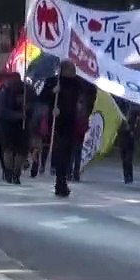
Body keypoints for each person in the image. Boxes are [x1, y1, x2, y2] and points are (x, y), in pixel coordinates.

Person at [49, 61, 81, 198]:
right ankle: (60, 182)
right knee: (61, 154)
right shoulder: (54, 81)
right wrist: (52, 95)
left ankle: (63, 181)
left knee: (68, 155)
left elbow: (82, 99)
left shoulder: (77, 84)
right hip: (58, 124)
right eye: (69, 69)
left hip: (72, 123)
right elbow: (43, 99)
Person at [0, 72, 27, 184]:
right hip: (7, 126)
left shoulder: (26, 90)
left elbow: (33, 104)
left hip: (22, 126)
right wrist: (17, 115)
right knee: (8, 150)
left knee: (20, 152)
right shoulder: (5, 92)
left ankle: (16, 173)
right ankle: (8, 172)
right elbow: (2, 111)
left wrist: (27, 108)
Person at [118, 108, 140, 183]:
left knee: (128, 160)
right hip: (123, 142)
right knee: (124, 160)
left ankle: (129, 176)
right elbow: (119, 130)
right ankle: (126, 176)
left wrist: (130, 131)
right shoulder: (122, 120)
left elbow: (135, 132)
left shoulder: (133, 122)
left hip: (129, 143)